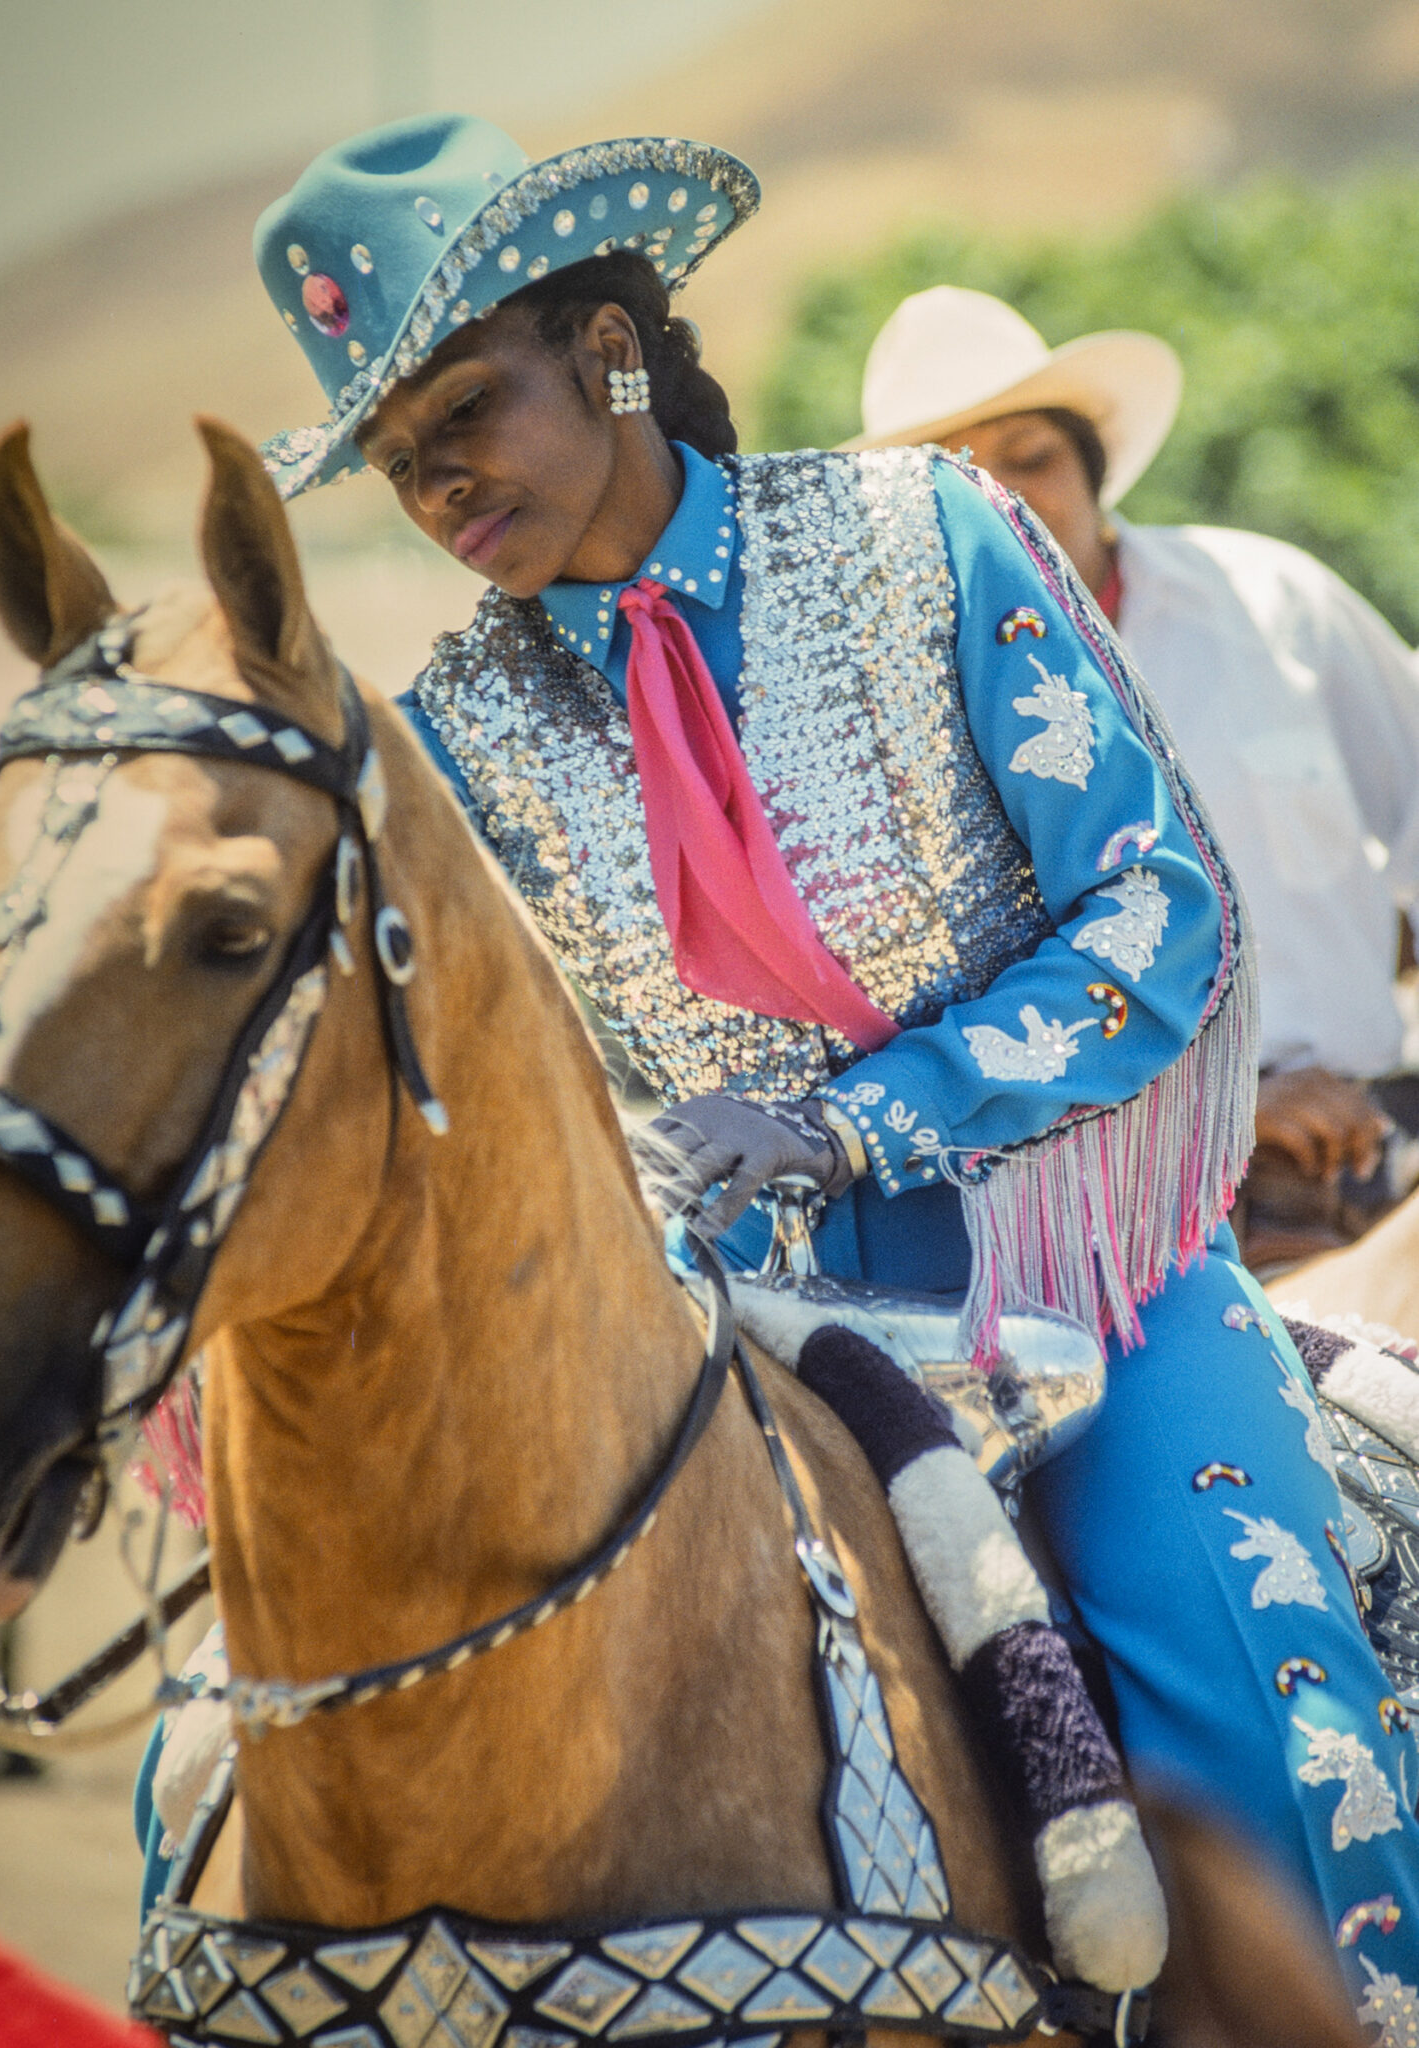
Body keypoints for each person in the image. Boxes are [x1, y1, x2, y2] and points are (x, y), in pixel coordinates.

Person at [229, 115, 1419, 2012]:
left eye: (462, 404)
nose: (435, 476)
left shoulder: (922, 534)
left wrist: (852, 1120)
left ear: (610, 351)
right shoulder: (448, 732)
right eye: (390, 456)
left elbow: (1151, 914)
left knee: (1237, 1676)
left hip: (1073, 1278)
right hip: (722, 1332)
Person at [848, 284, 1419, 1271]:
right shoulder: (892, 742)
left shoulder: (1271, 602)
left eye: (1033, 457)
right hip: (1143, 1215)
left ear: (1091, 465)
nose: (1008, 502)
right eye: (954, 482)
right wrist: (1226, 1101)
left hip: (1385, 1141)